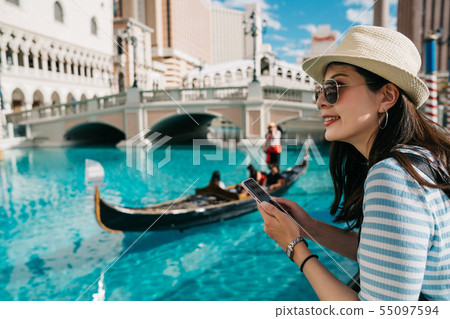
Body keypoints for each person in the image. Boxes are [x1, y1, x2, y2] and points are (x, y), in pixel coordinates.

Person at [256, 25, 450, 301]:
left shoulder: (393, 175)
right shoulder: (424, 160)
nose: (321, 101)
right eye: (320, 90)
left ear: (386, 96)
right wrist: (308, 226)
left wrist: (294, 247)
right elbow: (384, 251)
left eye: (334, 87)